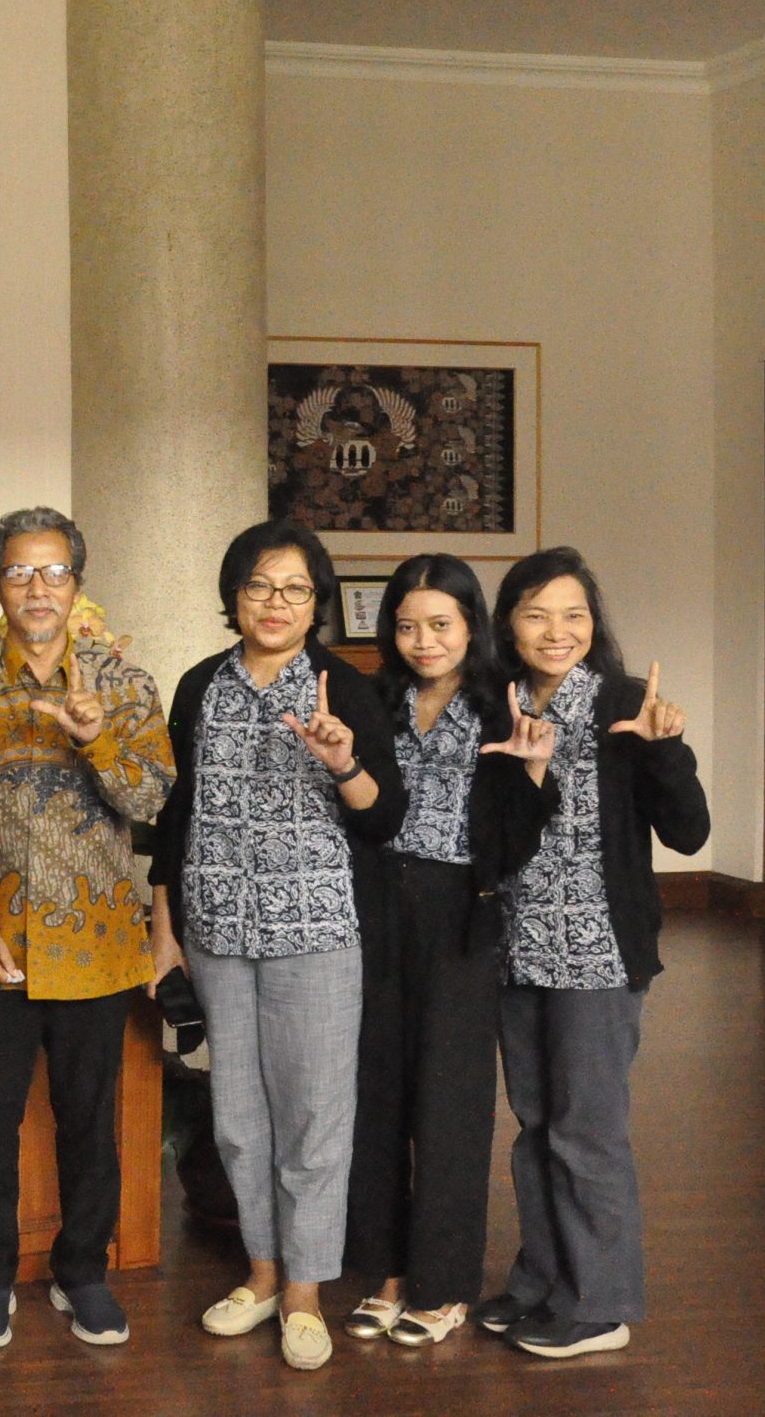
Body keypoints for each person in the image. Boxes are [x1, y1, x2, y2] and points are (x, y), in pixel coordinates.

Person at [148, 518, 407, 1373]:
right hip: (218, 930)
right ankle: (260, 1275)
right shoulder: (200, 686)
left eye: (295, 588)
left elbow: (385, 814)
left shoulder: (346, 686)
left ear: (317, 603)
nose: (275, 602)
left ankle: (305, 1292)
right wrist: (165, 930)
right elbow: (173, 817)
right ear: (233, 595)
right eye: (260, 585)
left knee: (313, 1118)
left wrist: (342, 761)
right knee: (236, 1119)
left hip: (317, 934)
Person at [0, 506, 173, 1352]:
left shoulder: (127, 687)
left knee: (88, 1124)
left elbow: (150, 803)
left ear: (78, 584)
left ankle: (84, 1273)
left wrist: (100, 739)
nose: (38, 589)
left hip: (99, 949)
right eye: (20, 573)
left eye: (55, 573)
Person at [478, 546, 708, 1360]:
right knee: (535, 1126)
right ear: (509, 623)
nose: (557, 630)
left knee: (587, 1131)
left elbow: (689, 833)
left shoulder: (624, 701)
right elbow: (496, 842)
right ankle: (543, 1281)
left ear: (592, 623)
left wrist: (662, 750)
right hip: (518, 946)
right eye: (537, 613)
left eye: (573, 614)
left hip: (600, 954)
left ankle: (601, 1303)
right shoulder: (497, 709)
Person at [339, 554, 558, 1348]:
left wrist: (534, 776)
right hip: (376, 908)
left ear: (472, 625)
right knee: (376, 1097)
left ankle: (445, 1282)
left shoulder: (503, 707)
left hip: (463, 911)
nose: (423, 641)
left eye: (440, 624)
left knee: (450, 1105)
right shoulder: (375, 700)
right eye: (406, 625)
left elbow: (517, 838)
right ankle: (388, 1273)